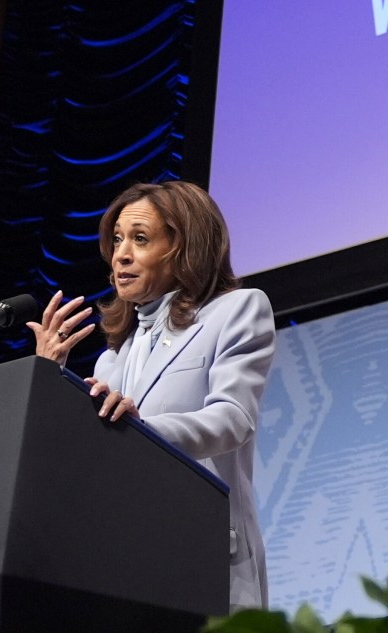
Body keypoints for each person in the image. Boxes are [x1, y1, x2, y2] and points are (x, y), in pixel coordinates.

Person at [30, 180, 274, 608]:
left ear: (185, 249)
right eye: (118, 239)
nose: (121, 254)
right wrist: (48, 378)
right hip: (124, 570)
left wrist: (141, 431)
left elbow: (233, 419)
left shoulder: (237, 311)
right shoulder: (111, 361)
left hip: (207, 562)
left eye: (140, 239)